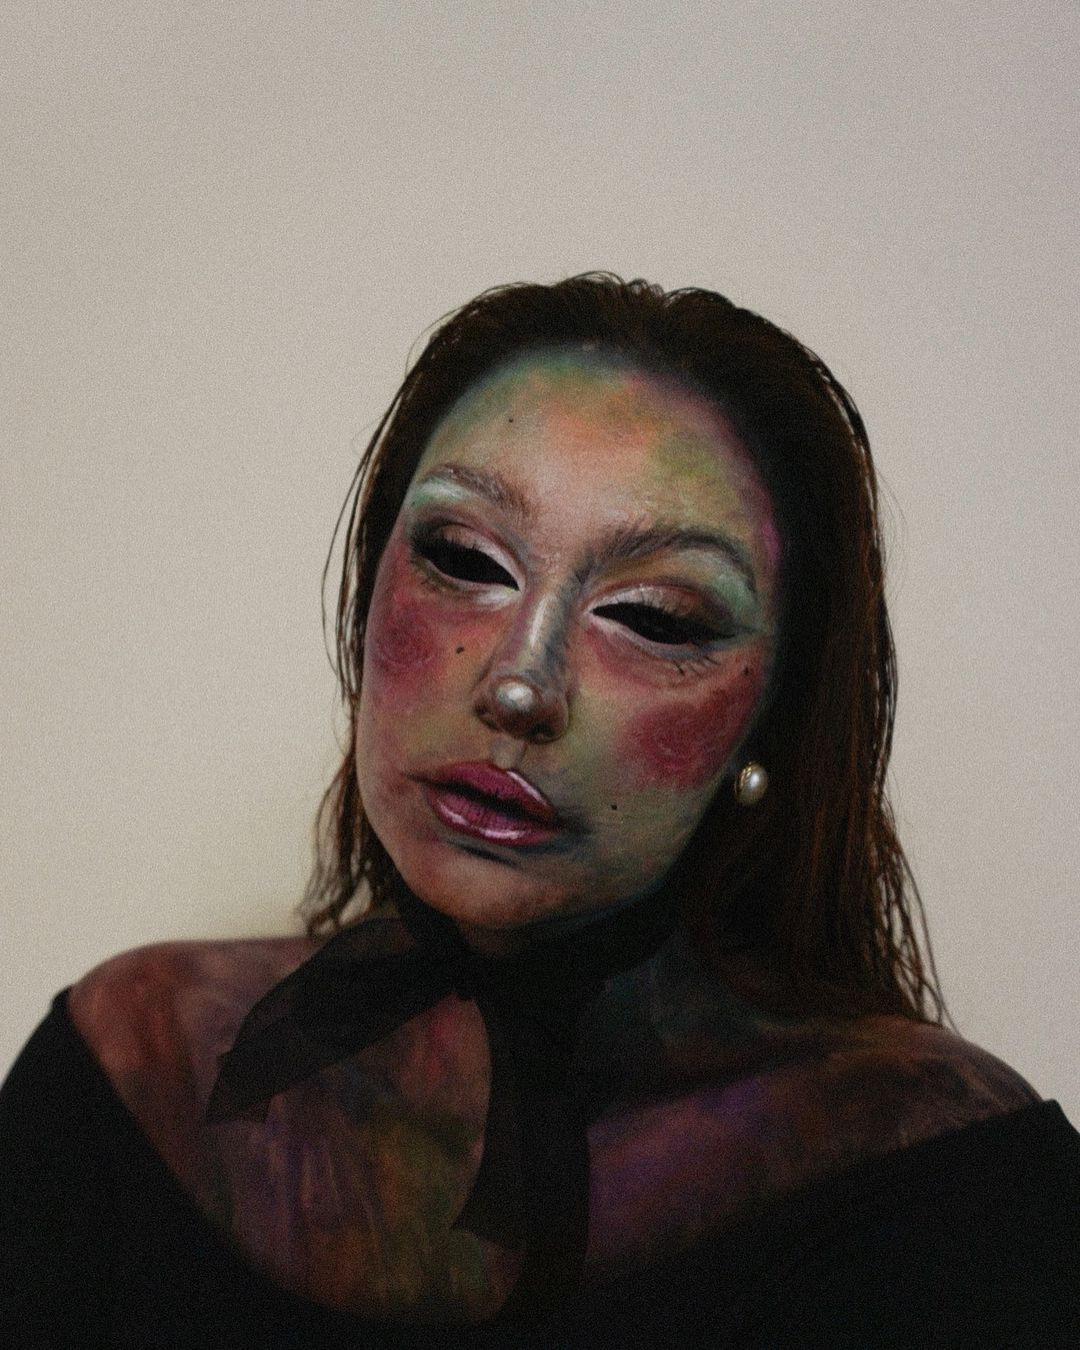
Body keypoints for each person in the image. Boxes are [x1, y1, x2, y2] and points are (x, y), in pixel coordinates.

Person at [1, 272, 1077, 1349]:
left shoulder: (940, 1176)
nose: (519, 684)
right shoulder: (134, 1061)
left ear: (773, 723)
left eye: (655, 617)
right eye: (463, 559)